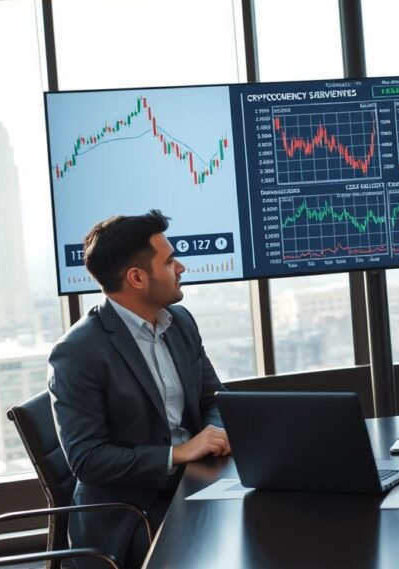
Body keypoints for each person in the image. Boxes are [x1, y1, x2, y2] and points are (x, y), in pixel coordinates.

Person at [48, 210, 230, 568]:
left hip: (191, 484)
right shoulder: (77, 353)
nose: (181, 268)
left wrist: (216, 432)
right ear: (137, 278)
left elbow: (214, 398)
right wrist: (180, 453)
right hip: (131, 512)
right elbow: (88, 459)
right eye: (170, 261)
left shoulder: (180, 322)